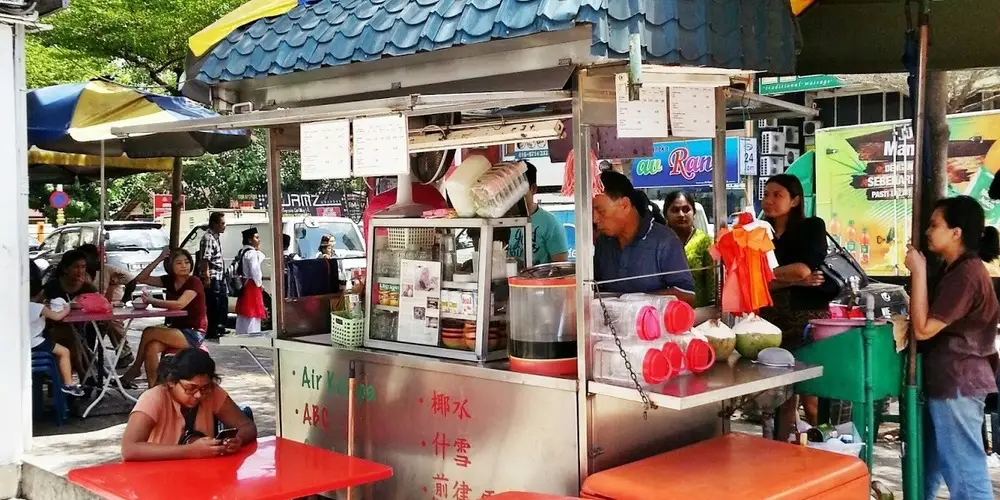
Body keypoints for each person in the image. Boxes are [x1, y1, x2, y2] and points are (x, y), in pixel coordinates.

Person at [904, 195, 999, 500]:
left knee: (966, 477)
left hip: (958, 381)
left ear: (956, 232)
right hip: (948, 381)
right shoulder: (954, 269)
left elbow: (923, 328)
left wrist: (918, 271)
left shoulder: (967, 274)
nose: (928, 231)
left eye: (934, 225)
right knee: (926, 469)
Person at [757, 174, 838, 441]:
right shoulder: (758, 233)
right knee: (781, 398)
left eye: (777, 195)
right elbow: (756, 282)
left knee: (812, 399)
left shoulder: (811, 227)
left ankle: (825, 449)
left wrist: (767, 278)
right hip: (771, 324)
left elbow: (804, 268)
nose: (768, 200)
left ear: (795, 200)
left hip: (807, 322)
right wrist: (791, 281)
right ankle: (781, 452)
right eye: (766, 193)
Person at [121, 348, 257, 461]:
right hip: (158, 479)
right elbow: (129, 449)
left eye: (204, 388)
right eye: (190, 388)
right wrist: (189, 451)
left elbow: (247, 426)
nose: (198, 394)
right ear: (171, 381)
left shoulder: (211, 392)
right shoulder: (153, 398)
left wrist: (238, 440)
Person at [592, 171, 695, 303]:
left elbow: (687, 295)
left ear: (625, 205)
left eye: (601, 211)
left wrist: (632, 302)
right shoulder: (603, 241)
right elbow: (595, 287)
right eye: (592, 212)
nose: (595, 219)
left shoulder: (665, 241)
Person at [121, 249, 208, 389]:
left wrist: (153, 301)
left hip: (194, 332)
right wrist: (159, 259)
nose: (184, 266)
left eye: (186, 262)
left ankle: (136, 368)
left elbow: (180, 304)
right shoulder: (168, 280)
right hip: (176, 330)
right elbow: (141, 278)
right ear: (170, 266)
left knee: (149, 331)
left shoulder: (194, 281)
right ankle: (154, 388)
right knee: (151, 347)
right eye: (178, 263)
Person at [78, 243, 136, 368]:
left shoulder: (109, 269)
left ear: (95, 257)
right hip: (89, 308)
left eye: (87, 258)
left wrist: (125, 299)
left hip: (110, 305)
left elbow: (132, 280)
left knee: (111, 321)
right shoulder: (82, 273)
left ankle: (123, 352)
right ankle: (87, 354)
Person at [29, 263, 83, 396]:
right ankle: (68, 384)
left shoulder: (17, 305)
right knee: (64, 352)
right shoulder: (38, 307)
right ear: (41, 292)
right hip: (35, 343)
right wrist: (67, 309)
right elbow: (57, 317)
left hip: (22, 344)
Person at [43, 249, 97, 378]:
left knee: (77, 337)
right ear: (66, 269)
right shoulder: (52, 287)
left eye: (83, 267)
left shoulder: (87, 288)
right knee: (71, 337)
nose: (80, 271)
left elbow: (98, 304)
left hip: (81, 329)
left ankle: (84, 375)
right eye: (76, 267)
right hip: (53, 329)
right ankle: (84, 375)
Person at [508, 161, 569, 266]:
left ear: (533, 189)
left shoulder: (551, 223)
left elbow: (560, 268)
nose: (513, 195)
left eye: (518, 190)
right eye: (509, 190)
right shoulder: (500, 222)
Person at [664, 191, 714, 307]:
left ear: (694, 213)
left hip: (698, 316)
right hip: (663, 314)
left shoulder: (705, 242)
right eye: (675, 210)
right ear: (666, 214)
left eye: (686, 209)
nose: (681, 214)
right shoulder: (657, 242)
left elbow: (713, 290)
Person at [197, 212, 227, 339]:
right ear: (214, 224)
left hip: (219, 276)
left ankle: (218, 327)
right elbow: (205, 259)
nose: (224, 226)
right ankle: (211, 330)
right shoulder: (208, 238)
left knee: (221, 302)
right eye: (222, 223)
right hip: (213, 276)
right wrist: (207, 277)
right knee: (212, 304)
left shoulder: (216, 237)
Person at [235, 228, 267, 334]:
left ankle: (241, 333)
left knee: (244, 312)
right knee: (252, 312)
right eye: (256, 237)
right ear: (250, 240)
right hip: (252, 285)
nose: (259, 240)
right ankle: (252, 334)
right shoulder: (252, 253)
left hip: (244, 284)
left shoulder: (242, 251)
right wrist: (259, 284)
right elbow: (255, 270)